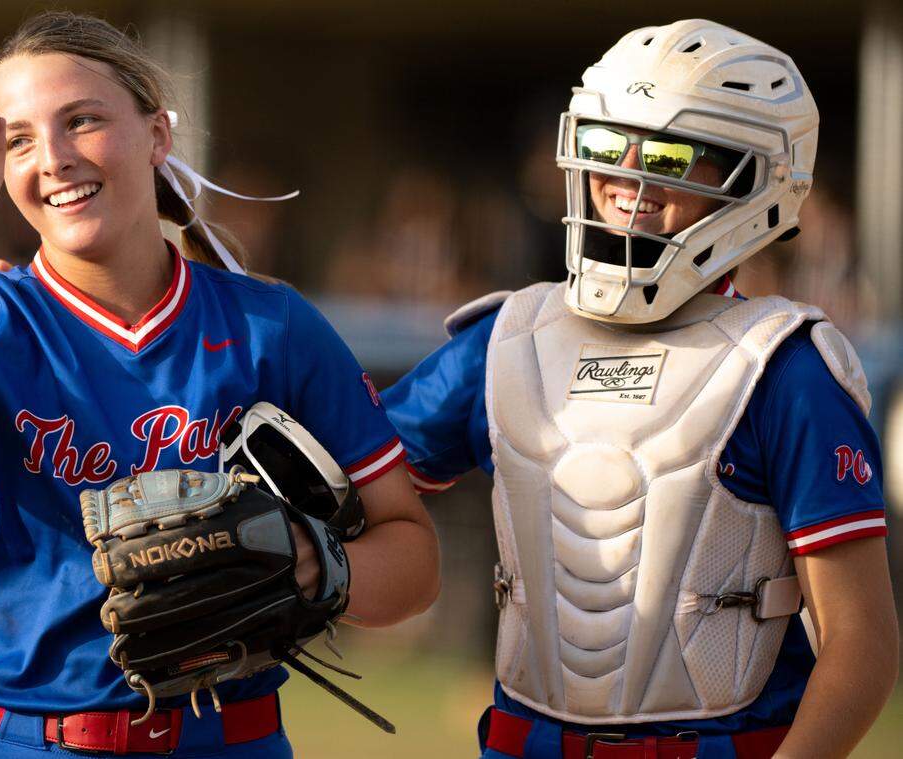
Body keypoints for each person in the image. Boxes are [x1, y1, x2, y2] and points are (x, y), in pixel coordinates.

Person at [0, 11, 439, 758]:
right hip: (7, 739)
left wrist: (308, 559)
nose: (53, 158)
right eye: (19, 138)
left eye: (82, 121)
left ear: (158, 135)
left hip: (224, 738)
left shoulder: (271, 324)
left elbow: (413, 559)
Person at [382, 19, 896, 759]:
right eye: (601, 147)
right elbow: (348, 484)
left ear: (754, 178)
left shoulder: (785, 369)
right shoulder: (508, 340)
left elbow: (861, 642)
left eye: (667, 156)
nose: (628, 181)